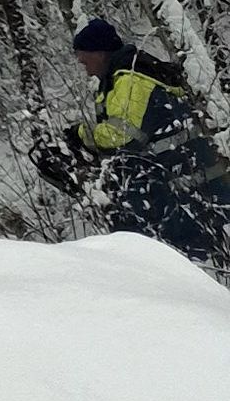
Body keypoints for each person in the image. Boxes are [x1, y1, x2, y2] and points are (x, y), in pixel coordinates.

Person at [46, 17, 230, 263]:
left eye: (84, 55)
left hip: (186, 181)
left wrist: (81, 135)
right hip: (179, 179)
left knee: (193, 254)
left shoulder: (131, 80)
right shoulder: (118, 79)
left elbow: (120, 134)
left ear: (100, 53)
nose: (81, 61)